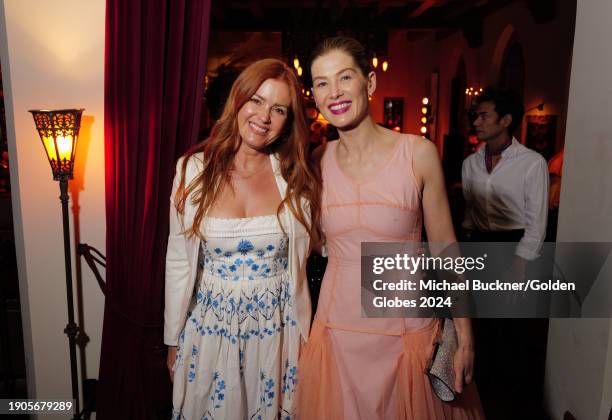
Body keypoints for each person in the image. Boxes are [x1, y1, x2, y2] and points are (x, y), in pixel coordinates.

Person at [297, 36, 483, 419]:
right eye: (321, 82)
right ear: (313, 95)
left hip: (405, 337)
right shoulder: (315, 162)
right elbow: (310, 242)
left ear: (369, 83)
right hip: (337, 336)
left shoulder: (417, 153)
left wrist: (465, 336)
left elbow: (446, 249)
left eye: (345, 77)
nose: (335, 92)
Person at [164, 58, 321, 420]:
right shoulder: (192, 170)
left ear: (288, 121)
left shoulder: (296, 178)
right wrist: (172, 339)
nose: (264, 116)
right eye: (256, 100)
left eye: (278, 108)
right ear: (238, 100)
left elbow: (325, 247)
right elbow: (178, 260)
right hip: (210, 333)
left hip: (277, 335)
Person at [462, 87, 549, 418]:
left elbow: (536, 224)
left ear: (507, 120)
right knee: (479, 329)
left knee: (511, 333)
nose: (477, 121)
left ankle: (510, 406)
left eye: (484, 115)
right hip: (479, 246)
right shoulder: (470, 163)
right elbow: (469, 214)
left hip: (515, 249)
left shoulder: (531, 163)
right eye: (476, 115)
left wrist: (519, 264)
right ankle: (479, 402)